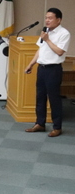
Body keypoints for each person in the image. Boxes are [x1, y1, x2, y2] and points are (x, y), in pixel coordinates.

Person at [24, 8, 71, 137]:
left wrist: (48, 39)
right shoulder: (45, 31)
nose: (47, 20)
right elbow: (40, 50)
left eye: (50, 18)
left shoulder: (64, 33)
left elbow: (60, 51)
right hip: (42, 69)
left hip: (53, 70)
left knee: (54, 99)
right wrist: (31, 64)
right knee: (40, 97)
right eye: (46, 18)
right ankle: (40, 123)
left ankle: (57, 127)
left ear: (59, 20)